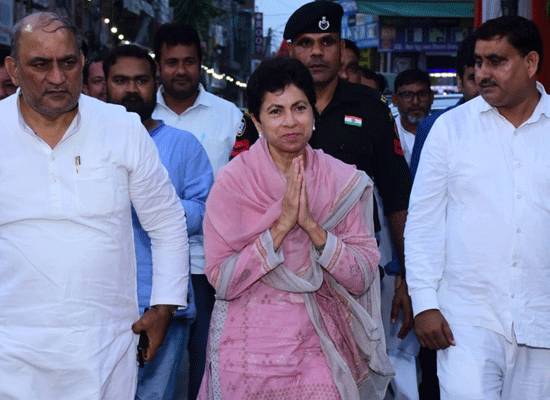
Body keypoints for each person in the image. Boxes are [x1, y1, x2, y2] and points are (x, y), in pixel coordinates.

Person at [0, 12, 189, 399]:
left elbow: (167, 223)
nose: (57, 77)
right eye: (41, 64)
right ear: (13, 70)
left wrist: (164, 307)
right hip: (10, 349)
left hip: (104, 350)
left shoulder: (121, 127)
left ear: (83, 63)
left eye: (68, 62)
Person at [198, 56, 393, 400]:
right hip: (248, 351)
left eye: (299, 108)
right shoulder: (233, 183)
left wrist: (313, 229)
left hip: (320, 344)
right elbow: (222, 280)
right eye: (275, 111)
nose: (290, 121)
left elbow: (361, 276)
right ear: (257, 121)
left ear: (313, 112)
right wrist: (282, 226)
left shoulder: (342, 181)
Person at [405, 16, 550, 399]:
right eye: (478, 62)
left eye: (496, 61)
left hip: (543, 319)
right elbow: (423, 224)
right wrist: (425, 304)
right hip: (466, 320)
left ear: (531, 63)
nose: (483, 73)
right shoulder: (450, 129)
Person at [104, 44, 214, 400]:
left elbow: (205, 212)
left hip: (161, 304)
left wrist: (153, 204)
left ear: (156, 85)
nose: (131, 89)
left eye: (141, 80)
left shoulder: (183, 145)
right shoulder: (89, 143)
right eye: (120, 80)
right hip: (99, 305)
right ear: (102, 85)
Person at [151, 23, 242, 400]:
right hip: (150, 269)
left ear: (201, 63)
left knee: (207, 369)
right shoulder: (135, 115)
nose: (180, 70)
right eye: (171, 62)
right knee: (151, 371)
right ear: (159, 66)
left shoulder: (229, 116)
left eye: (189, 61)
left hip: (209, 267)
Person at [409, 34, 479, 179]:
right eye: (474, 78)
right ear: (460, 81)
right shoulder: (433, 127)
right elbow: (421, 188)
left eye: (488, 79)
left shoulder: (516, 122)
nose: (483, 86)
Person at [391, 69, 434, 164]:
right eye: (407, 95)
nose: (415, 101)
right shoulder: (386, 134)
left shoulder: (443, 130)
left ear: (431, 97)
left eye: (422, 94)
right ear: (395, 100)